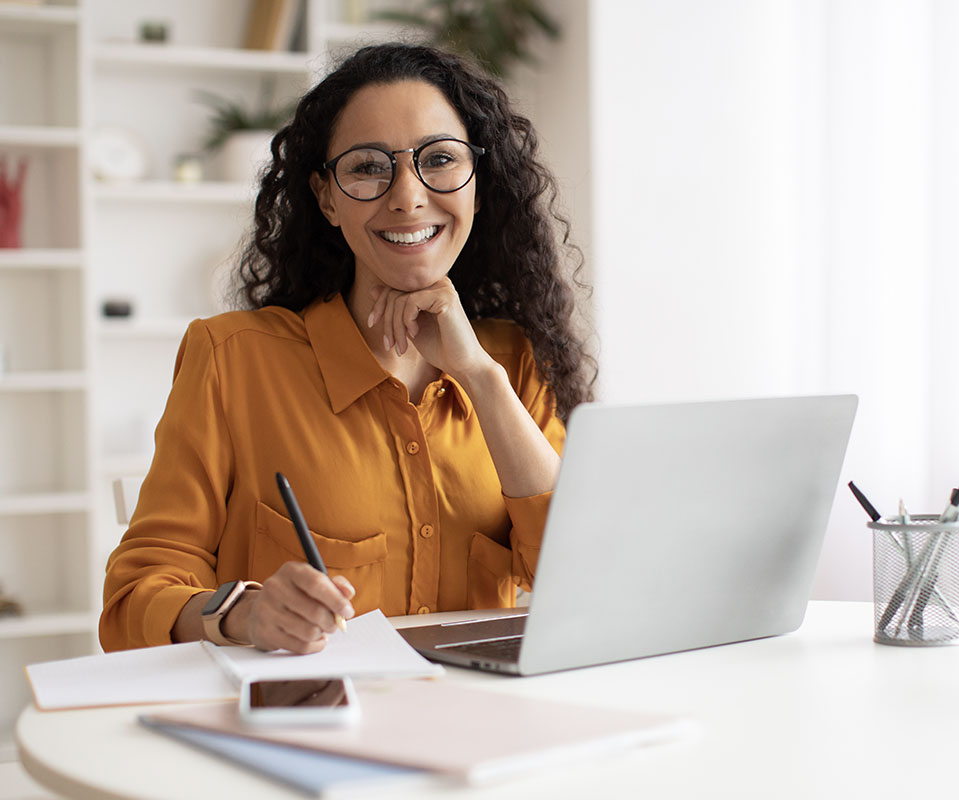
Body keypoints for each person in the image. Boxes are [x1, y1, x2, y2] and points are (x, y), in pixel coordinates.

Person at [100, 42, 595, 654]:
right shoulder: (232, 360)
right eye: (367, 167)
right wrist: (245, 614)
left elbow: (587, 580)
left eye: (438, 159)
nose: (408, 195)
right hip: (305, 728)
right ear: (327, 197)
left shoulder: (512, 362)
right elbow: (135, 597)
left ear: (477, 184)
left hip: (477, 727)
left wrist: (479, 376)